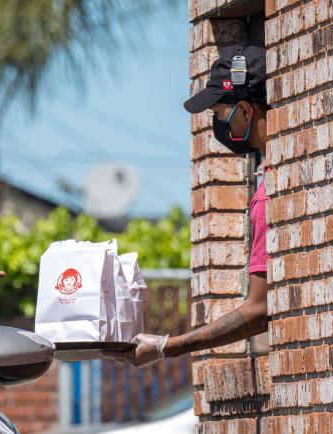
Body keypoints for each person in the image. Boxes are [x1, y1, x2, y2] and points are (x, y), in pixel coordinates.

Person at [113, 45, 270, 367]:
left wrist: (165, 346)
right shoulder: (274, 171)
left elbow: (259, 309)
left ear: (244, 111)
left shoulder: (269, 193)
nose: (218, 128)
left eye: (217, 114)